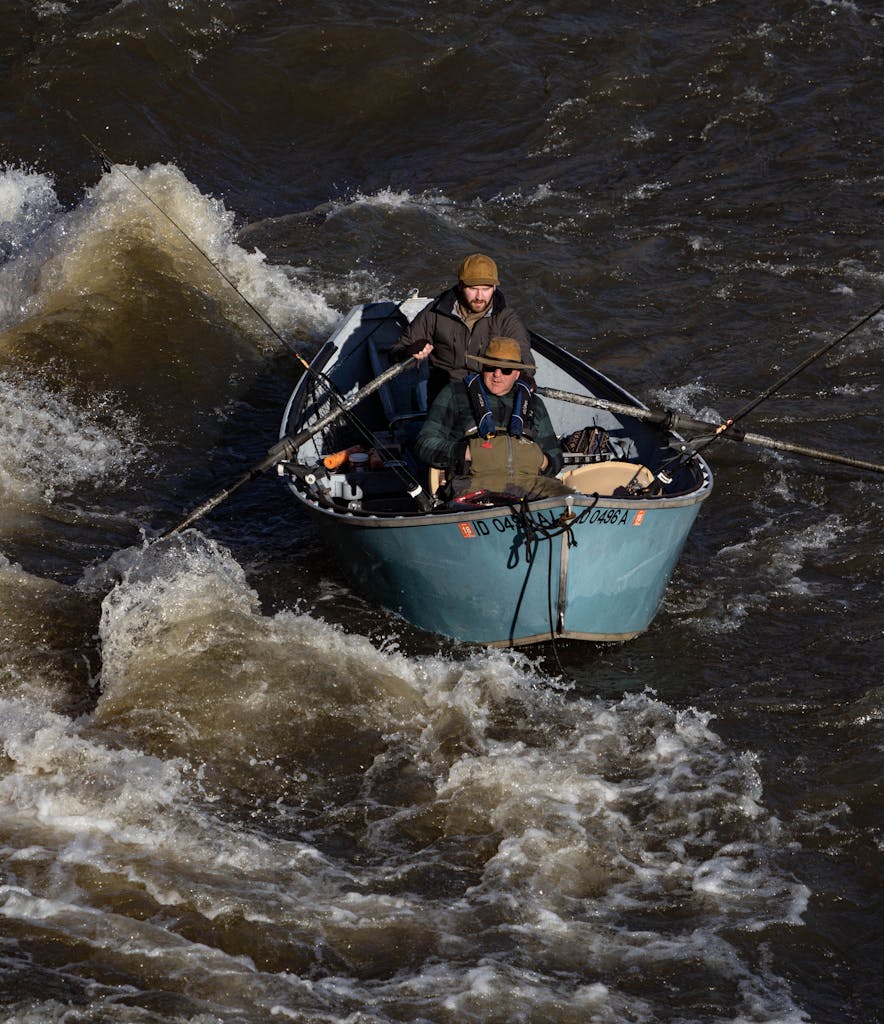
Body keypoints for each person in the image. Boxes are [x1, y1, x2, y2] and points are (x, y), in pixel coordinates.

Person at [414, 336, 572, 500]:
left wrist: (543, 461)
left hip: (532, 484)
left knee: (573, 500)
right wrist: (464, 452)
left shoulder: (535, 403)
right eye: (491, 368)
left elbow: (556, 456)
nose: (497, 374)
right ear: (482, 367)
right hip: (475, 486)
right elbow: (424, 444)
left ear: (517, 374)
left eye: (506, 370)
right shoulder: (454, 393)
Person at [391, 253, 533, 404]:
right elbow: (396, 352)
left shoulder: (506, 318)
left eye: (485, 289)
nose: (479, 296)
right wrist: (409, 352)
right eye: (472, 288)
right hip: (445, 396)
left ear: (494, 287)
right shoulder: (435, 312)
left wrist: (524, 377)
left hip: (489, 396)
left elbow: (524, 359)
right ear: (460, 286)